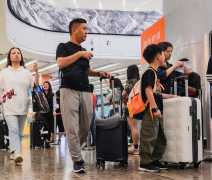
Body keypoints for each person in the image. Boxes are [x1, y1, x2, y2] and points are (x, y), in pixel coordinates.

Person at [56, 18, 111, 173]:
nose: (87, 31)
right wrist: (80, 54)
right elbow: (61, 63)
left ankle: (74, 150)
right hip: (68, 90)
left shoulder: (83, 50)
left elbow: (86, 70)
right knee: (71, 128)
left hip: (86, 90)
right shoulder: (64, 47)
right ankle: (77, 160)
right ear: (74, 30)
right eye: (84, 28)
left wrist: (100, 73)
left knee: (85, 127)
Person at [0, 47, 39, 164]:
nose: (16, 54)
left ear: (21, 57)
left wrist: (37, 72)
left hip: (23, 106)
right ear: (9, 57)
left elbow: (35, 85)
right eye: (13, 53)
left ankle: (14, 152)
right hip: (9, 106)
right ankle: (17, 151)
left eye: (18, 53)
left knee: (19, 132)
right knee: (13, 130)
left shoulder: (26, 72)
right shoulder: (5, 72)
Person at [139, 44, 178, 173]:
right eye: (163, 54)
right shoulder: (150, 72)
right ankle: (145, 163)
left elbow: (156, 93)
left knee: (158, 137)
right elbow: (148, 91)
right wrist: (155, 109)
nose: (165, 57)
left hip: (156, 111)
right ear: (158, 56)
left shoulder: (154, 73)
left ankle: (154, 160)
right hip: (151, 111)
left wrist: (170, 96)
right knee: (149, 136)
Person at [122, 65, 140, 155]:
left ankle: (135, 147)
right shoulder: (139, 81)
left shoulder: (130, 81)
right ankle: (137, 146)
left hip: (130, 106)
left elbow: (123, 93)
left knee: (133, 128)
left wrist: (125, 94)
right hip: (137, 106)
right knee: (136, 127)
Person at [41, 81, 54, 147]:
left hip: (51, 113)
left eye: (46, 85)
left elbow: (54, 104)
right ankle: (45, 139)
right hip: (43, 113)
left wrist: (54, 111)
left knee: (50, 126)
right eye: (44, 85)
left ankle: (48, 140)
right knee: (45, 125)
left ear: (49, 86)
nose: (45, 86)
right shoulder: (41, 94)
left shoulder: (52, 94)